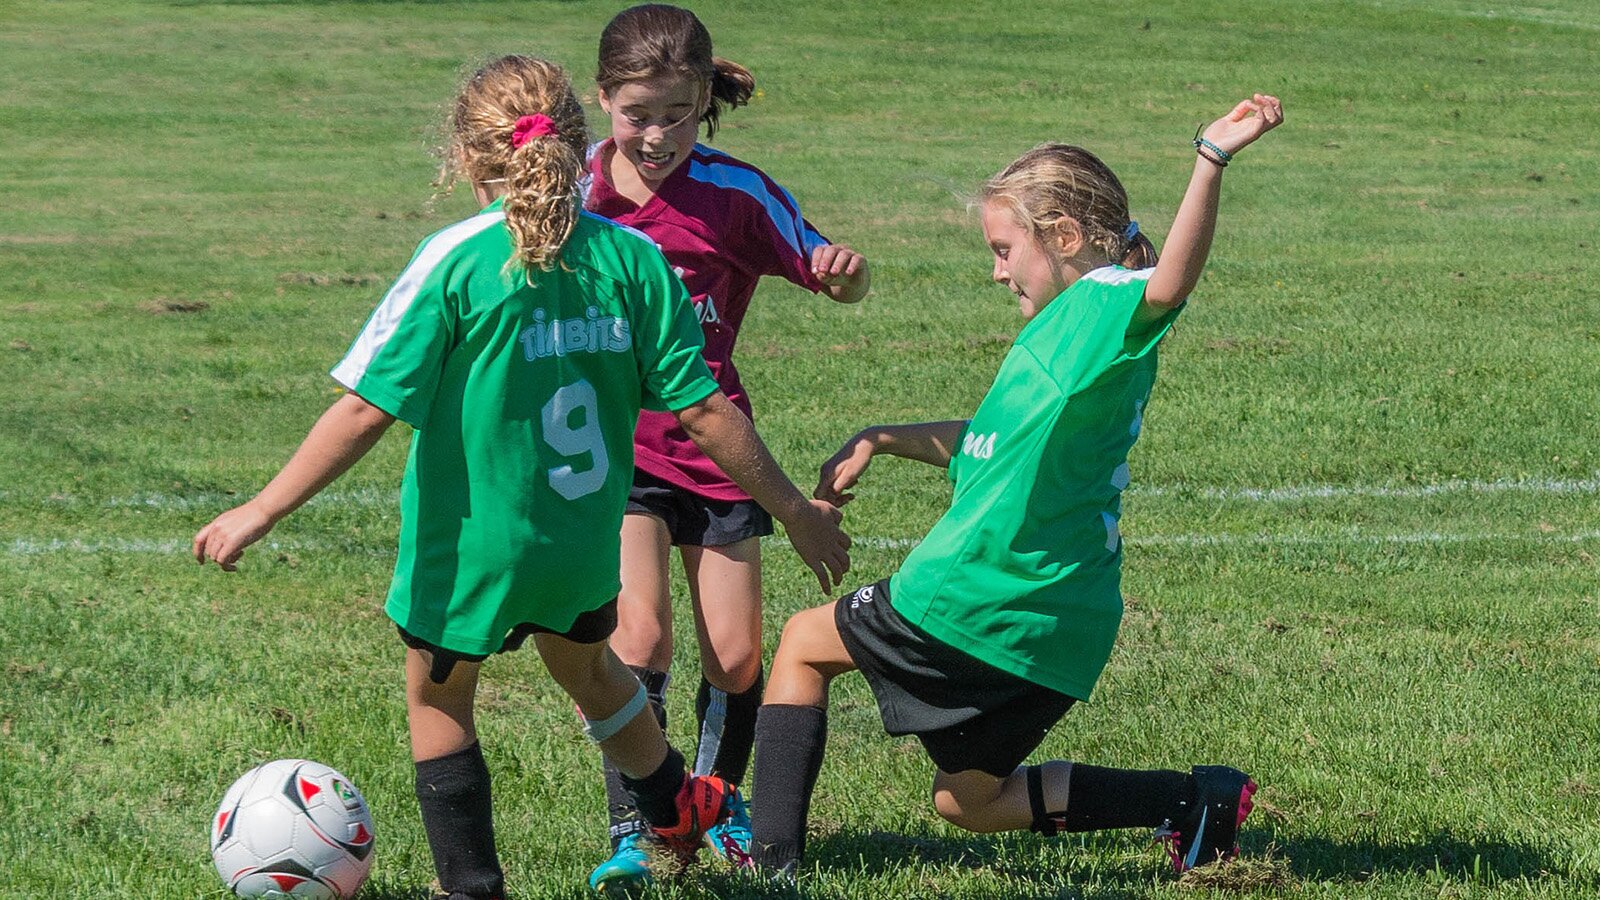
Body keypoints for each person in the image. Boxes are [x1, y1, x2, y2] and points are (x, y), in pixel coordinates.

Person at [190, 55, 849, 900]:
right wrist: (794, 511)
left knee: (441, 705)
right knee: (594, 673)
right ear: (579, 149)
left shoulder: (457, 260)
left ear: (469, 157)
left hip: (473, 549)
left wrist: (262, 508)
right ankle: (675, 803)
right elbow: (708, 412)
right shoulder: (633, 259)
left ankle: (472, 886)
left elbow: (364, 411)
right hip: (579, 543)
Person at [747, 94, 1285, 881]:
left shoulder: (1105, 302)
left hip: (977, 595)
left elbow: (1169, 283)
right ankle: (1193, 800)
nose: (997, 269)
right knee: (968, 804)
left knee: (801, 643)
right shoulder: (1064, 340)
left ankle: (769, 871)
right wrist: (883, 439)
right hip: (1060, 626)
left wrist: (1212, 157)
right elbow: (990, 444)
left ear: (1062, 236)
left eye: (1005, 248)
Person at [580, 4, 871, 890]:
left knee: (737, 658)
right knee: (640, 636)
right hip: (614, 454)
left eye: (676, 112)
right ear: (602, 101)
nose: (657, 134)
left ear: (702, 97)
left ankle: (714, 802)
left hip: (718, 450)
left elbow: (831, 270)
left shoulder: (736, 193)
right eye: (638, 114)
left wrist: (844, 275)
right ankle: (638, 821)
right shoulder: (573, 194)